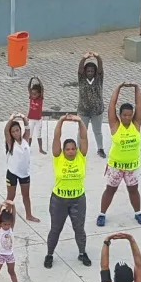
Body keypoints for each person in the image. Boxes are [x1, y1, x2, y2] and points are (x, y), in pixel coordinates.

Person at [97, 82, 141, 227]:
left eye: (130, 115)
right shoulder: (115, 125)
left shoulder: (136, 124)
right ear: (120, 115)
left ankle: (138, 213)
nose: (127, 118)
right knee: (110, 190)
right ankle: (102, 214)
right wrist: (118, 88)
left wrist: (137, 88)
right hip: (116, 166)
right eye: (124, 115)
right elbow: (112, 104)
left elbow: (139, 105)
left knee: (133, 190)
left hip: (132, 166)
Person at [45, 115, 90, 269]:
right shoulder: (58, 158)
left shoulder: (81, 157)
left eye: (73, 149)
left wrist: (79, 121)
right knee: (56, 229)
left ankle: (82, 253)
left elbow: (83, 137)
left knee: (79, 228)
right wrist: (61, 121)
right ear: (63, 150)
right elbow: (57, 137)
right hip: (59, 200)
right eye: (68, 149)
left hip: (78, 199)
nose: (70, 151)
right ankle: (49, 254)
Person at [4, 113, 39, 222]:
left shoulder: (25, 140)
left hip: (24, 174)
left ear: (20, 130)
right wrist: (11, 118)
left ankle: (29, 215)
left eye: (17, 130)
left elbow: (28, 128)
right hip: (12, 173)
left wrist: (24, 118)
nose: (15, 133)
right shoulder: (10, 143)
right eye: (13, 131)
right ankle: (6, 216)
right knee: (11, 196)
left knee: (26, 196)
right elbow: (6, 131)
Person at [77, 52, 105, 158]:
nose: (89, 72)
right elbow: (79, 68)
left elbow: (101, 67)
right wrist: (84, 58)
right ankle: (78, 149)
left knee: (97, 131)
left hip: (97, 111)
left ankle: (100, 148)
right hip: (83, 110)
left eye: (92, 71)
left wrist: (98, 57)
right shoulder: (81, 79)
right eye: (88, 70)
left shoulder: (99, 79)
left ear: (95, 72)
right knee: (81, 131)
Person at [27, 77, 47, 154]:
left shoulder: (40, 99)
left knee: (39, 135)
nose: (33, 95)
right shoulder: (31, 97)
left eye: (35, 94)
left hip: (38, 119)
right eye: (32, 93)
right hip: (31, 119)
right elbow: (28, 87)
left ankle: (40, 149)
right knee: (29, 135)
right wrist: (30, 80)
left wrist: (39, 80)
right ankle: (28, 148)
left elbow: (42, 88)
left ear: (39, 93)